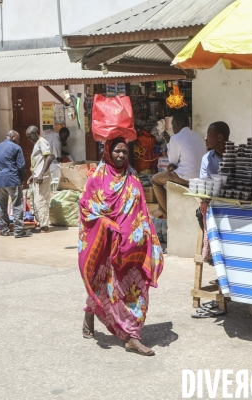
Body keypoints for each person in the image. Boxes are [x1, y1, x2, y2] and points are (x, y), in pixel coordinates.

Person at [79, 138, 164, 356]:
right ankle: (95, 315)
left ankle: (132, 334)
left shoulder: (133, 175)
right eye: (117, 151)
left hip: (134, 248)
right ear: (108, 151)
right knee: (105, 285)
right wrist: (106, 223)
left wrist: (146, 236)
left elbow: (141, 207)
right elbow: (87, 209)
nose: (121, 156)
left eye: (125, 152)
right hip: (109, 246)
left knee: (136, 290)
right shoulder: (96, 179)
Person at [151, 112, 205, 219]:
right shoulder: (199, 136)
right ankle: (163, 210)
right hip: (200, 178)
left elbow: (172, 162)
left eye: (173, 126)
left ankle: (165, 212)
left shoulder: (176, 138)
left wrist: (169, 143)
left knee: (155, 180)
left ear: (177, 124)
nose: (173, 129)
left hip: (184, 177)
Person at [0, 130, 31, 238]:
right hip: (12, 180)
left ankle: (3, 230)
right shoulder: (16, 148)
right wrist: (22, 179)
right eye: (18, 139)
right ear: (13, 137)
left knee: (2, 206)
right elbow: (21, 166)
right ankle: (18, 231)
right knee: (17, 205)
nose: (19, 141)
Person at [25, 126, 54, 233]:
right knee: (35, 202)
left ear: (36, 133)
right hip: (37, 177)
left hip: (42, 177)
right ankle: (41, 223)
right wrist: (34, 175)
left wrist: (41, 173)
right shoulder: (37, 144)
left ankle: (44, 226)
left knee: (40, 201)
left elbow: (50, 157)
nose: (29, 139)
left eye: (30, 136)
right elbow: (39, 162)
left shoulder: (42, 142)